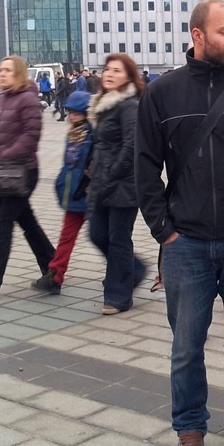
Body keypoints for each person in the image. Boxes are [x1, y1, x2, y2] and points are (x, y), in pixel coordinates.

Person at [136, 0, 224, 446]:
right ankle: (190, 430)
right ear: (197, 36)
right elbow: (145, 168)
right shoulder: (162, 94)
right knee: (186, 347)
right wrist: (164, 232)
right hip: (185, 244)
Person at [0, 56, 55, 299]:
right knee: (28, 224)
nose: (2, 74)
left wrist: (1, 155)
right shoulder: (3, 98)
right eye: (1, 70)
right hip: (5, 170)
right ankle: (54, 270)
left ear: (19, 74)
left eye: (8, 70)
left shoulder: (27, 99)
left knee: (3, 226)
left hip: (23, 172)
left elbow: (30, 137)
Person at [86, 53, 147, 314]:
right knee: (97, 234)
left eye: (117, 71)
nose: (109, 74)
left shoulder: (128, 105)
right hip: (102, 181)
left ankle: (118, 296)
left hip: (123, 184)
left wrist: (112, 172)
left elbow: (132, 145)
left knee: (118, 239)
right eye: (107, 69)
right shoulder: (103, 104)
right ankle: (135, 270)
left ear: (129, 77)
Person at [32, 90, 94, 295]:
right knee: (68, 237)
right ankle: (56, 276)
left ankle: (128, 271)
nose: (72, 115)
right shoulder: (73, 133)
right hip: (74, 194)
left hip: (88, 193)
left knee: (104, 238)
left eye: (77, 112)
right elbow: (68, 165)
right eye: (70, 112)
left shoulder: (92, 134)